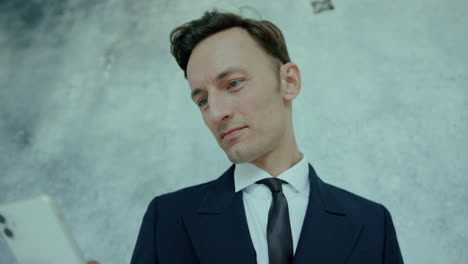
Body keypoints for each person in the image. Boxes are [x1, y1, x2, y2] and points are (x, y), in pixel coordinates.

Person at [89, 9, 404, 264]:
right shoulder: (167, 219)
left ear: (289, 81)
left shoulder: (372, 222)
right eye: (201, 100)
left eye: (233, 84)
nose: (215, 113)